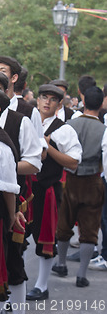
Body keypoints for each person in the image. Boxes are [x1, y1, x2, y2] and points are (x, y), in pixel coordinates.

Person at [0, 72, 43, 313]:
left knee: (10, 263)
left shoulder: (19, 122)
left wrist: (11, 212)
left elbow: (33, 163)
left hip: (4, 206)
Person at [25, 84, 81, 300]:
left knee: (44, 237)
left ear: (59, 105)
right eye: (43, 97)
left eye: (52, 99)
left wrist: (50, 148)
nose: (46, 102)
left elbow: (74, 162)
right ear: (37, 100)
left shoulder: (63, 129)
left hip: (47, 188)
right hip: (25, 187)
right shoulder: (26, 123)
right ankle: (15, 281)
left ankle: (42, 284)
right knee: (17, 237)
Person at [55, 86, 106, 286]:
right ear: (101, 104)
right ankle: (82, 274)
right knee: (90, 228)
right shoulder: (104, 130)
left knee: (64, 222)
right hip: (93, 180)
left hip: (70, 179)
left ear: (83, 101)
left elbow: (56, 146)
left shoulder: (69, 125)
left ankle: (60, 264)